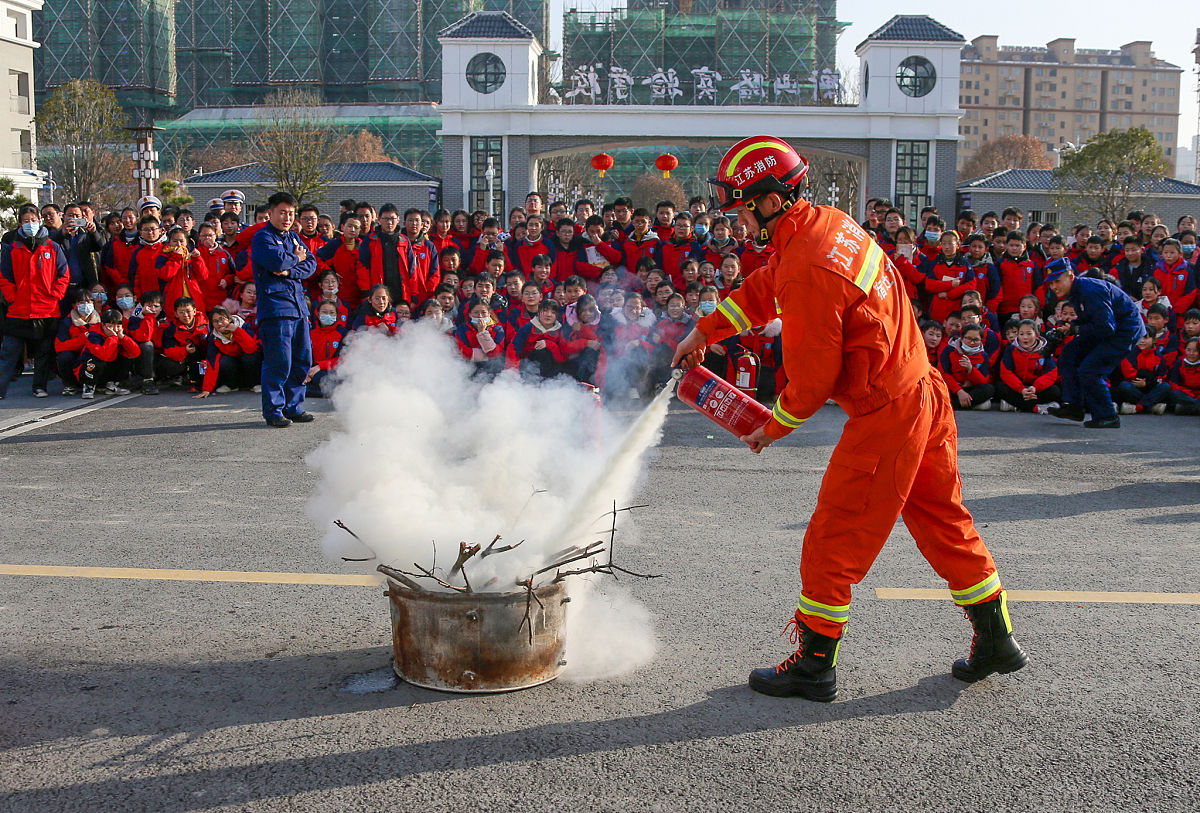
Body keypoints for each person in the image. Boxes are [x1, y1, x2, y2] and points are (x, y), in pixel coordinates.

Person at [672, 135, 1026, 701]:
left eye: (740, 207)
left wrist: (772, 427)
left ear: (769, 200)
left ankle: (815, 664)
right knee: (942, 518)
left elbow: (811, 379)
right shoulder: (824, 225)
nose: (736, 221)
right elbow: (769, 287)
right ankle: (996, 637)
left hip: (887, 413)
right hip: (921, 393)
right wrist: (707, 330)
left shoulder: (807, 263)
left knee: (834, 537)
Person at [1044, 257, 1146, 429]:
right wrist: (1071, 328)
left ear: (1070, 276)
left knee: (1090, 370)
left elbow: (1106, 327)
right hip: (1110, 328)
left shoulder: (1090, 291)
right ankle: (1073, 406)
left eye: (1057, 281)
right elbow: (1092, 321)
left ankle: (1107, 415)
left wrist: (1075, 330)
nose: (1053, 287)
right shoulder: (1077, 291)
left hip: (1124, 332)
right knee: (1069, 354)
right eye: (1051, 283)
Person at [252, 192, 318, 428]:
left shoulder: (294, 238)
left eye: (291, 213)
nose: (287, 217)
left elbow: (310, 264)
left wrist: (290, 269)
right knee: (279, 361)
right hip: (276, 308)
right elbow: (276, 262)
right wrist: (293, 259)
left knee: (302, 360)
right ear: (271, 213)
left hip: (298, 307)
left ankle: (294, 406)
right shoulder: (263, 238)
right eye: (283, 212)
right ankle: (274, 410)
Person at [0, 204, 70, 399]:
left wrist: (54, 295)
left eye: (33, 220)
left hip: (47, 310)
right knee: (9, 352)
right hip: (18, 310)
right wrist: (12, 298)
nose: (30, 224)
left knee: (43, 353)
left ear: (39, 220)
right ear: (19, 224)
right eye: (25, 221)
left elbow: (63, 274)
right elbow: (4, 277)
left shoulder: (52, 246)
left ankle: (39, 386)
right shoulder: (11, 248)